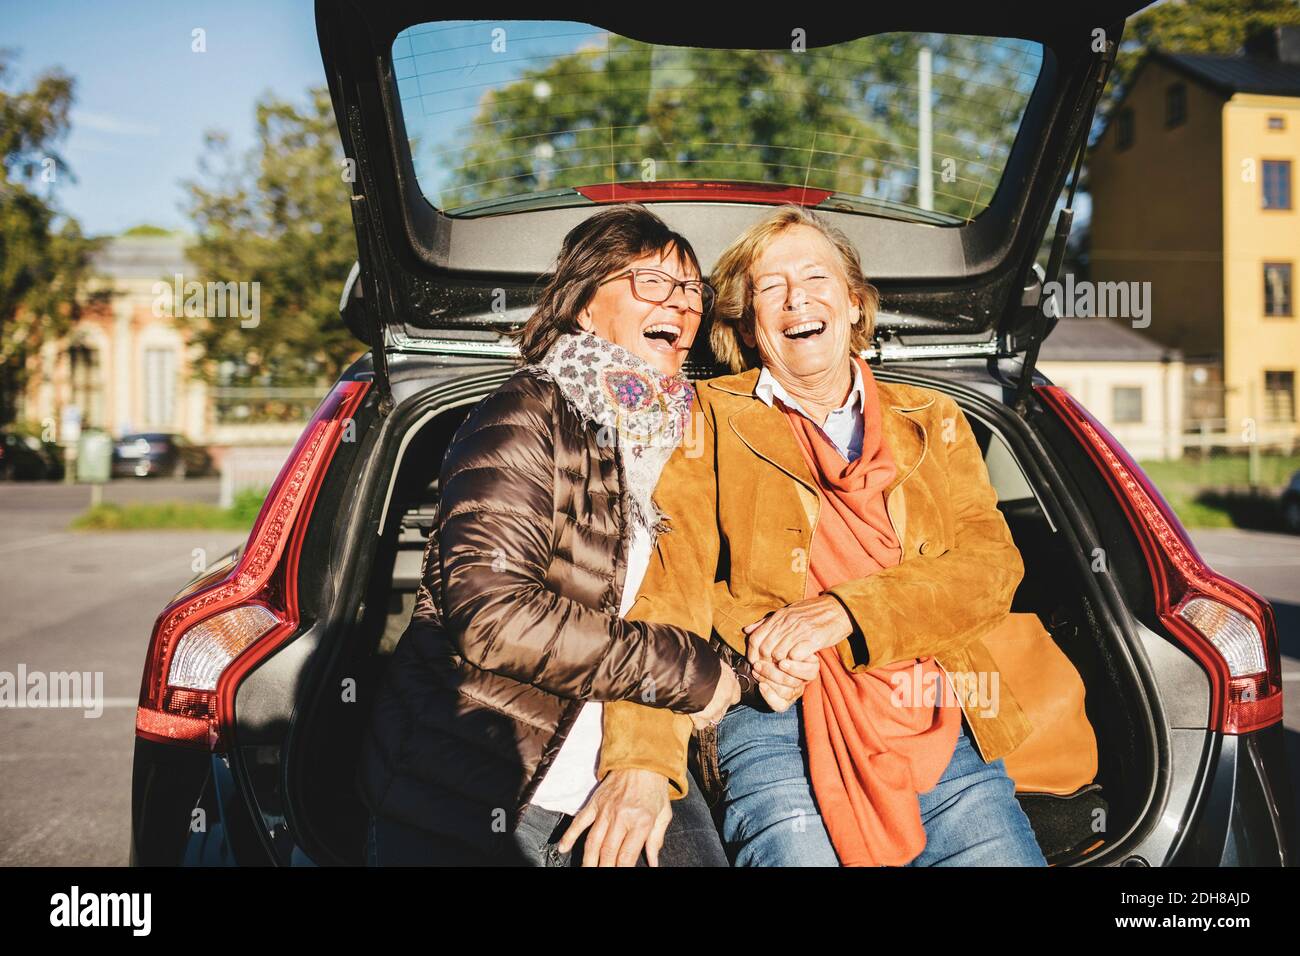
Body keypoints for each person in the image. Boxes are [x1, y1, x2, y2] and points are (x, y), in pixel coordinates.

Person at [599, 204, 1048, 867]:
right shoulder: (708, 420)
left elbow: (990, 568)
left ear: (854, 305)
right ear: (750, 327)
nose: (795, 298)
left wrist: (842, 612)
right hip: (773, 711)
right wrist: (640, 759)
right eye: (770, 287)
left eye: (816, 278)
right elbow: (671, 588)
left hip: (934, 705)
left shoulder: (933, 416)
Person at [359, 204, 741, 866]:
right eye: (652, 282)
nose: (681, 305)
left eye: (691, 290)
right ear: (584, 306)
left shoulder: (691, 440)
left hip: (642, 757)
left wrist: (732, 669)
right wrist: (692, 674)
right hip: (487, 776)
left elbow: (717, 604)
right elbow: (493, 614)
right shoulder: (528, 411)